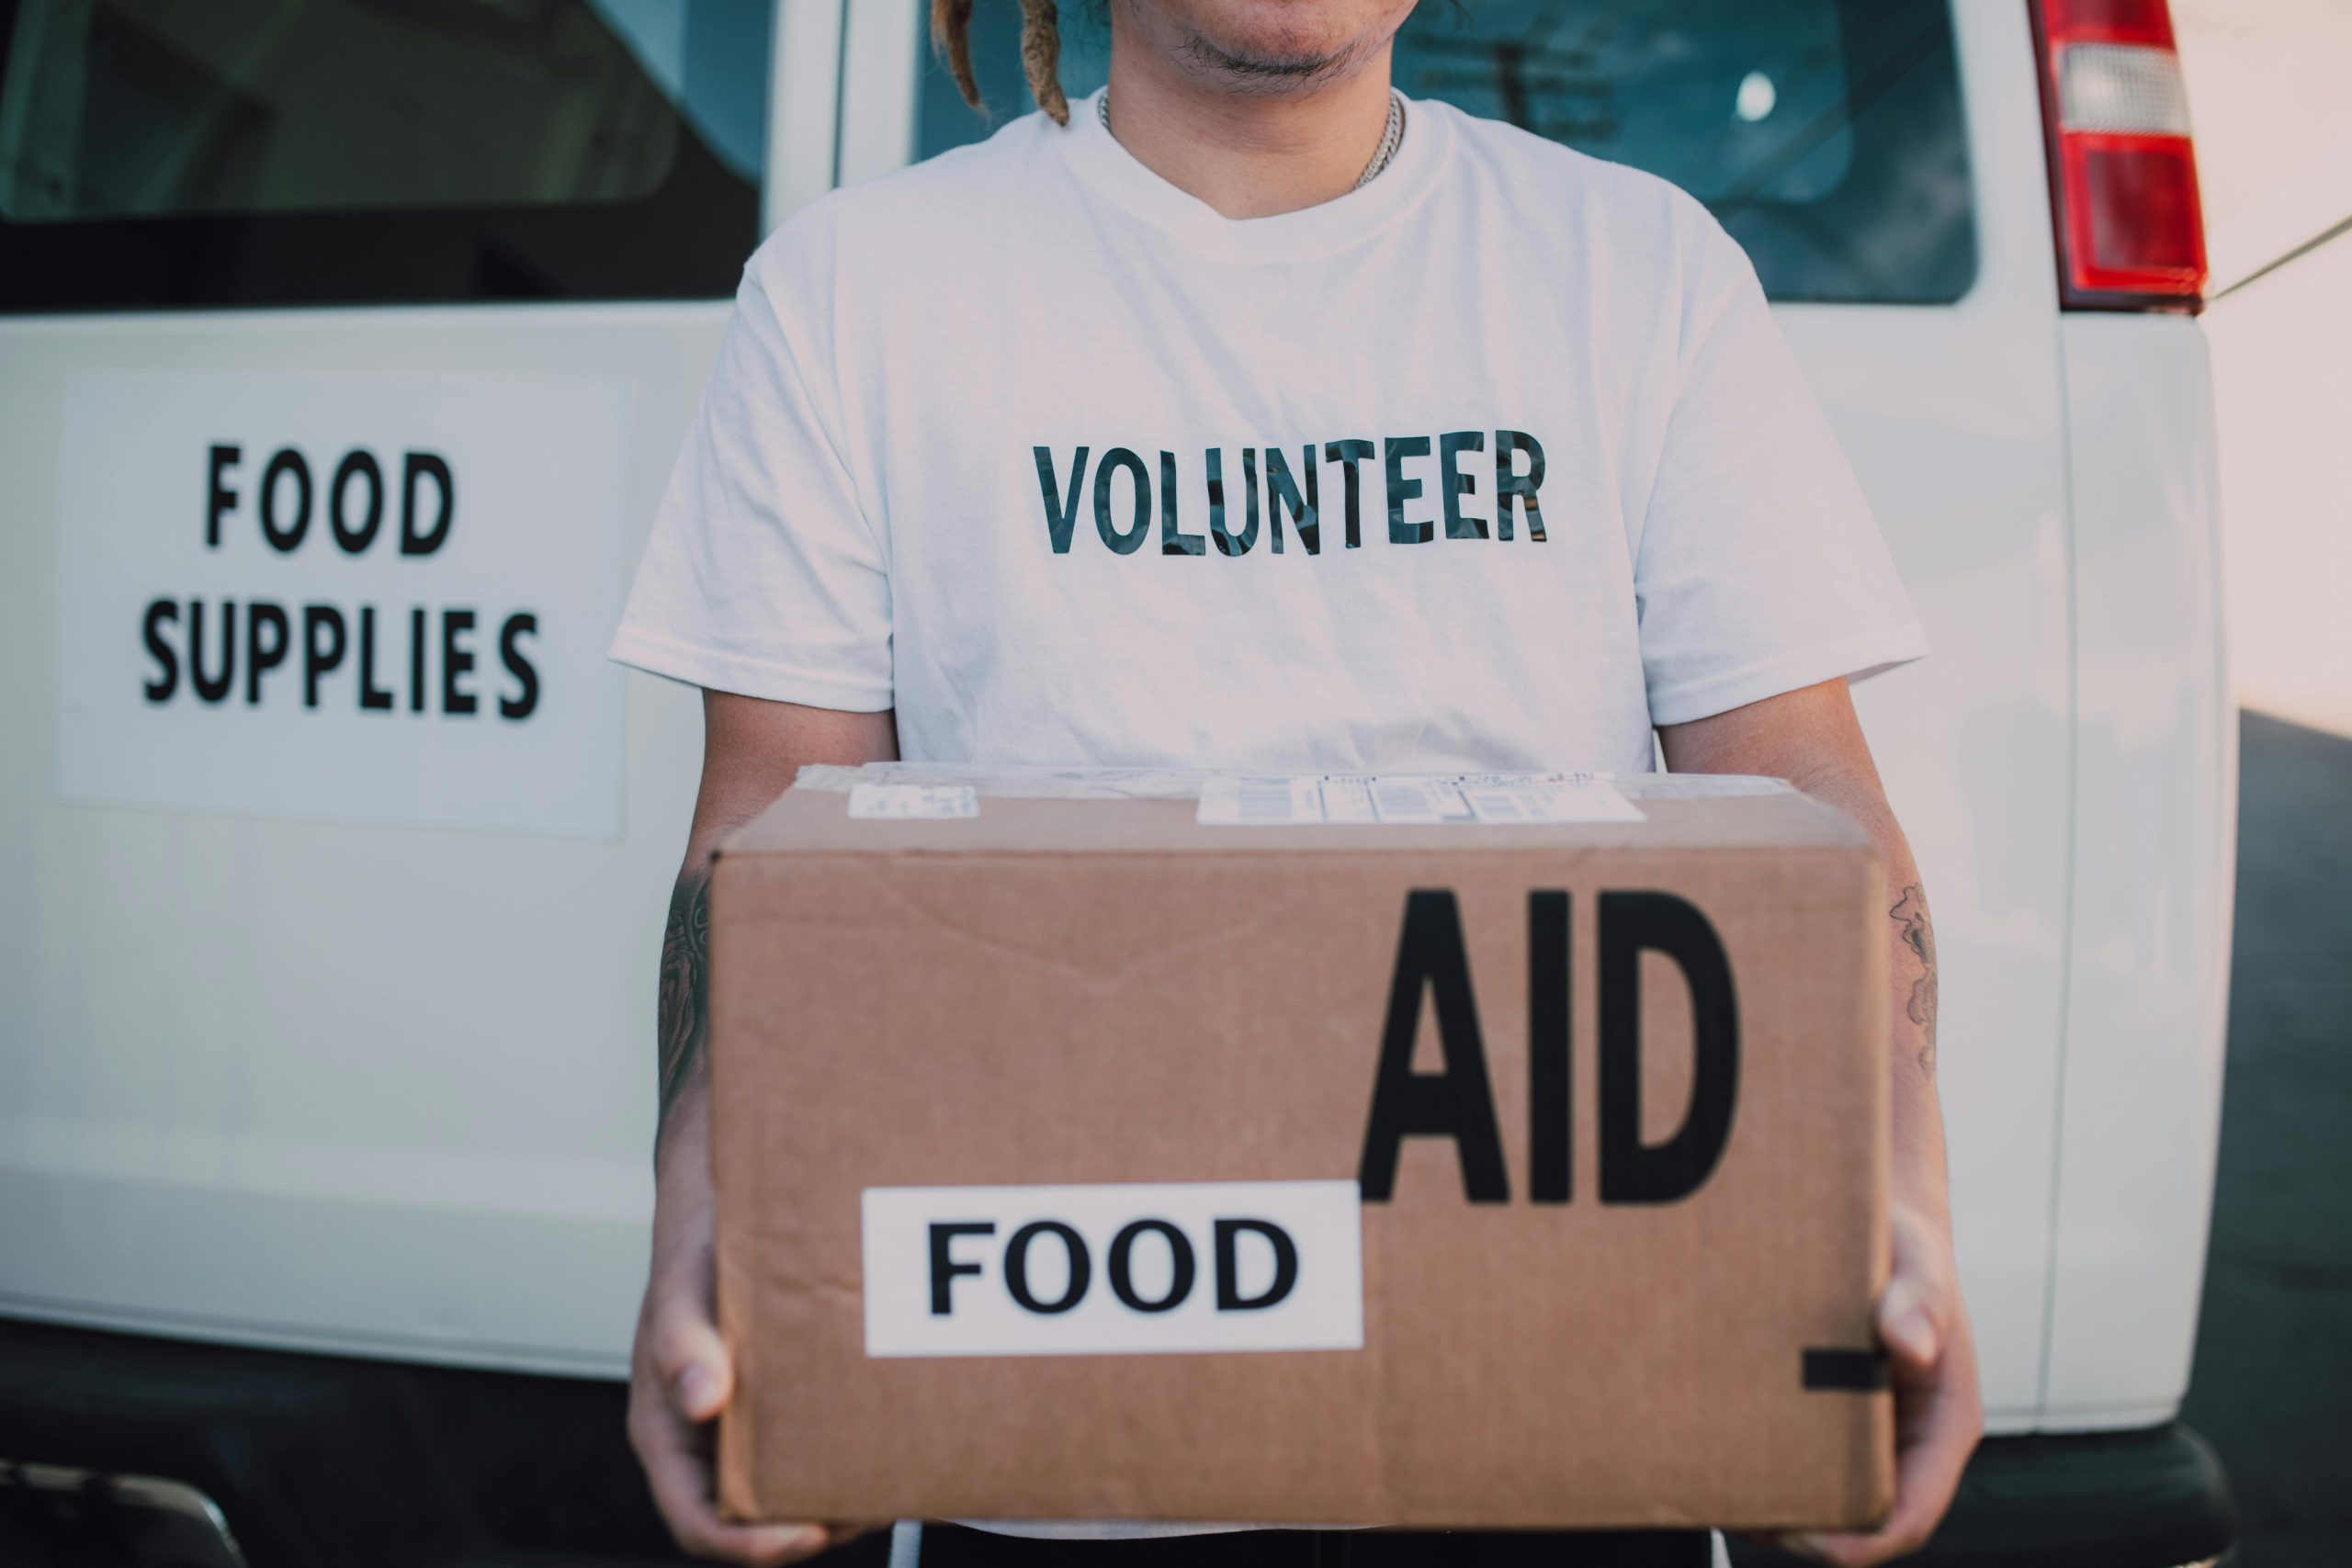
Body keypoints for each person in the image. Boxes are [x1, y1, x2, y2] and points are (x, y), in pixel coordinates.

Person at [611, 1, 1982, 1564]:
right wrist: (707, 1228)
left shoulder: (1636, 270)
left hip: (1575, 1433)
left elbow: (1805, 797)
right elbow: (769, 849)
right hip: (1057, 1436)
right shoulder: (855, 295)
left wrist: (1902, 1212)